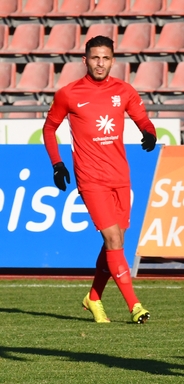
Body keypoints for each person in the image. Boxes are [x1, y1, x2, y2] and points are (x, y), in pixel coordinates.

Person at [43, 35, 157, 324]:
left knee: (115, 243)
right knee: (113, 238)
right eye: (95, 58)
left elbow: (142, 118)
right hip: (90, 178)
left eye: (106, 58)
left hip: (120, 176)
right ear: (85, 60)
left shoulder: (123, 90)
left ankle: (93, 298)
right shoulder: (69, 93)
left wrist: (149, 132)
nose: (100, 63)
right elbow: (49, 129)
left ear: (112, 60)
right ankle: (135, 306)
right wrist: (57, 163)